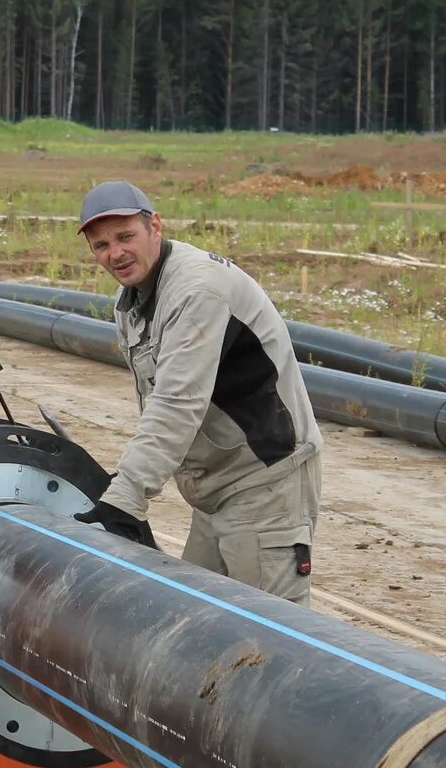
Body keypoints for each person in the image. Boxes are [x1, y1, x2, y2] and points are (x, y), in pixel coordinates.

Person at [69, 181, 322, 604]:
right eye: (101, 245)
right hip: (214, 485)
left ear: (155, 226)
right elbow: (156, 396)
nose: (115, 254)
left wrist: (127, 496)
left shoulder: (197, 291)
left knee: (272, 635)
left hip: (264, 481)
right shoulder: (131, 299)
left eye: (126, 236)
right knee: (198, 617)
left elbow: (177, 403)